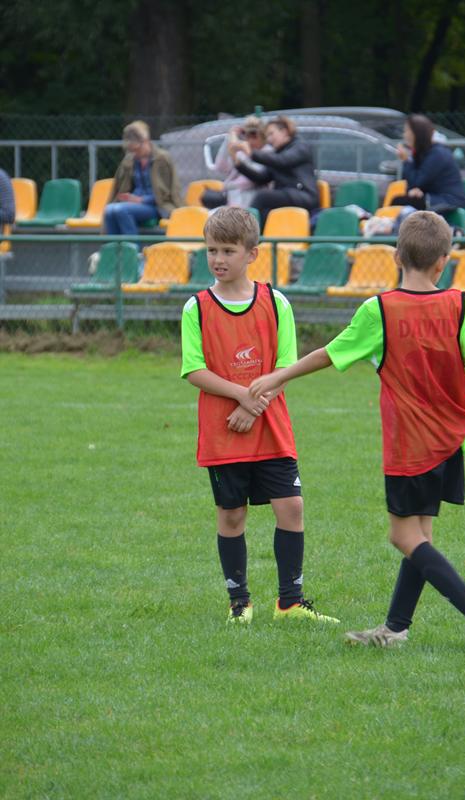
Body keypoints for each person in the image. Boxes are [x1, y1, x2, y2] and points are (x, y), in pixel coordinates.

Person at [249, 211, 465, 651]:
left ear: (395, 256)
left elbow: (330, 353)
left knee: (402, 536)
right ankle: (394, 630)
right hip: (450, 441)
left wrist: (278, 376)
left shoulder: (380, 310)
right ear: (443, 261)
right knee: (420, 537)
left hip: (410, 445)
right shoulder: (461, 305)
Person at [180, 206, 338, 625]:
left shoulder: (275, 301)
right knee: (231, 515)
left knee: (292, 507)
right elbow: (194, 370)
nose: (218, 259)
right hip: (224, 430)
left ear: (252, 253)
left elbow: (285, 367)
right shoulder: (196, 308)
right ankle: (240, 603)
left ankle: (290, 602)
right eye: (212, 250)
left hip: (271, 428)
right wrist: (243, 399)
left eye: (228, 250)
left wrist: (255, 406)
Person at [232, 116, 319, 228]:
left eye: (271, 134)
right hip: (287, 195)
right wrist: (238, 164)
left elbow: (283, 160)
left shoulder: (300, 146)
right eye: (267, 135)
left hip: (304, 195)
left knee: (262, 196)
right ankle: (259, 236)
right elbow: (262, 178)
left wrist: (251, 152)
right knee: (265, 213)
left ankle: (245, 231)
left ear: (284, 132)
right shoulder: (278, 153)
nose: (269, 139)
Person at [104, 120, 181, 239]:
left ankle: (132, 248)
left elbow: (165, 194)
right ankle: (112, 248)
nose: (134, 153)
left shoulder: (162, 159)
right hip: (133, 204)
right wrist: (128, 197)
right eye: (131, 150)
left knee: (121, 210)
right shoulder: (130, 160)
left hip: (157, 206)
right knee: (109, 210)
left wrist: (141, 200)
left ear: (146, 141)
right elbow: (121, 186)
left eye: (136, 149)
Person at [392, 114, 465, 215]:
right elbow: (414, 184)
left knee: (399, 202)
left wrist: (406, 160)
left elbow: (417, 181)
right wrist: (414, 191)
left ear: (417, 133)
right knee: (400, 201)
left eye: (407, 131)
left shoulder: (437, 153)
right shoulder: (423, 152)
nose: (404, 135)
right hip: (432, 197)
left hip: (448, 201)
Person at [202, 116, 271, 209]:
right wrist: (229, 140)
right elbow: (220, 167)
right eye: (247, 135)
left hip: (252, 199)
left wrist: (230, 185)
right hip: (233, 198)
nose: (250, 140)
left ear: (263, 136)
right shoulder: (241, 152)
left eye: (254, 136)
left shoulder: (268, 152)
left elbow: (252, 178)